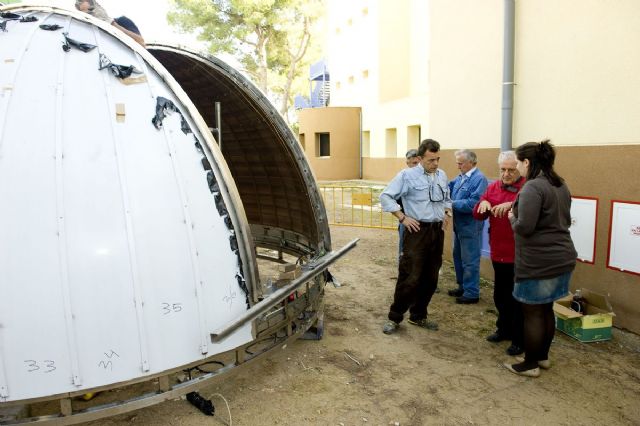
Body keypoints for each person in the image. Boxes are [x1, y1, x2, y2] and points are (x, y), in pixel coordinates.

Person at [504, 140, 577, 378]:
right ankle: (541, 357)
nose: (517, 168)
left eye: (518, 163)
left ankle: (530, 364)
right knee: (546, 309)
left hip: (539, 262)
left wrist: (512, 216)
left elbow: (525, 227)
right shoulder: (560, 184)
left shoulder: (533, 187)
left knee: (533, 312)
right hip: (561, 257)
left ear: (527, 162)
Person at [379, 139, 452, 334]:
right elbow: (385, 197)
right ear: (420, 159)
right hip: (417, 231)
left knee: (431, 277)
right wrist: (402, 218)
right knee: (410, 276)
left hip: (437, 232)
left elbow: (447, 198)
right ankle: (395, 318)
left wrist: (447, 213)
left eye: (437, 159)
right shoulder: (407, 176)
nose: (435, 164)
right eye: (431, 160)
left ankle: (418, 316)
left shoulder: (442, 175)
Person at [472, 151, 525, 356]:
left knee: (517, 299)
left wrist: (512, 204)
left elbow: (532, 211)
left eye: (511, 170)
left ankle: (519, 338)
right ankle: (503, 329)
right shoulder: (493, 186)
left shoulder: (526, 189)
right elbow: (477, 215)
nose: (506, 174)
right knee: (500, 295)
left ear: (519, 168)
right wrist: (482, 204)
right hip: (499, 251)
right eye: (503, 169)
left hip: (519, 253)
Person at [447, 150, 488, 304]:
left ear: (472, 162)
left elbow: (474, 204)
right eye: (457, 162)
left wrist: (451, 204)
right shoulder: (461, 177)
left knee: (470, 260)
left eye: (461, 163)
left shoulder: (479, 179)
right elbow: (447, 188)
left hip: (471, 227)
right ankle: (462, 286)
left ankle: (472, 293)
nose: (458, 166)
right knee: (458, 257)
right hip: (459, 226)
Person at [75, 0, 146, 47]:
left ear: (99, 7)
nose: (90, 15)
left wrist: (111, 23)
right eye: (84, 13)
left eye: (91, 10)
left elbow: (141, 43)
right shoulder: (91, 33)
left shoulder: (121, 20)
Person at [397, 149, 421, 257]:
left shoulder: (426, 177)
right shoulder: (403, 177)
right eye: (414, 163)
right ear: (408, 163)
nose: (417, 166)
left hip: (423, 222)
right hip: (407, 221)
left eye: (419, 163)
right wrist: (402, 217)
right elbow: (390, 198)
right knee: (405, 251)